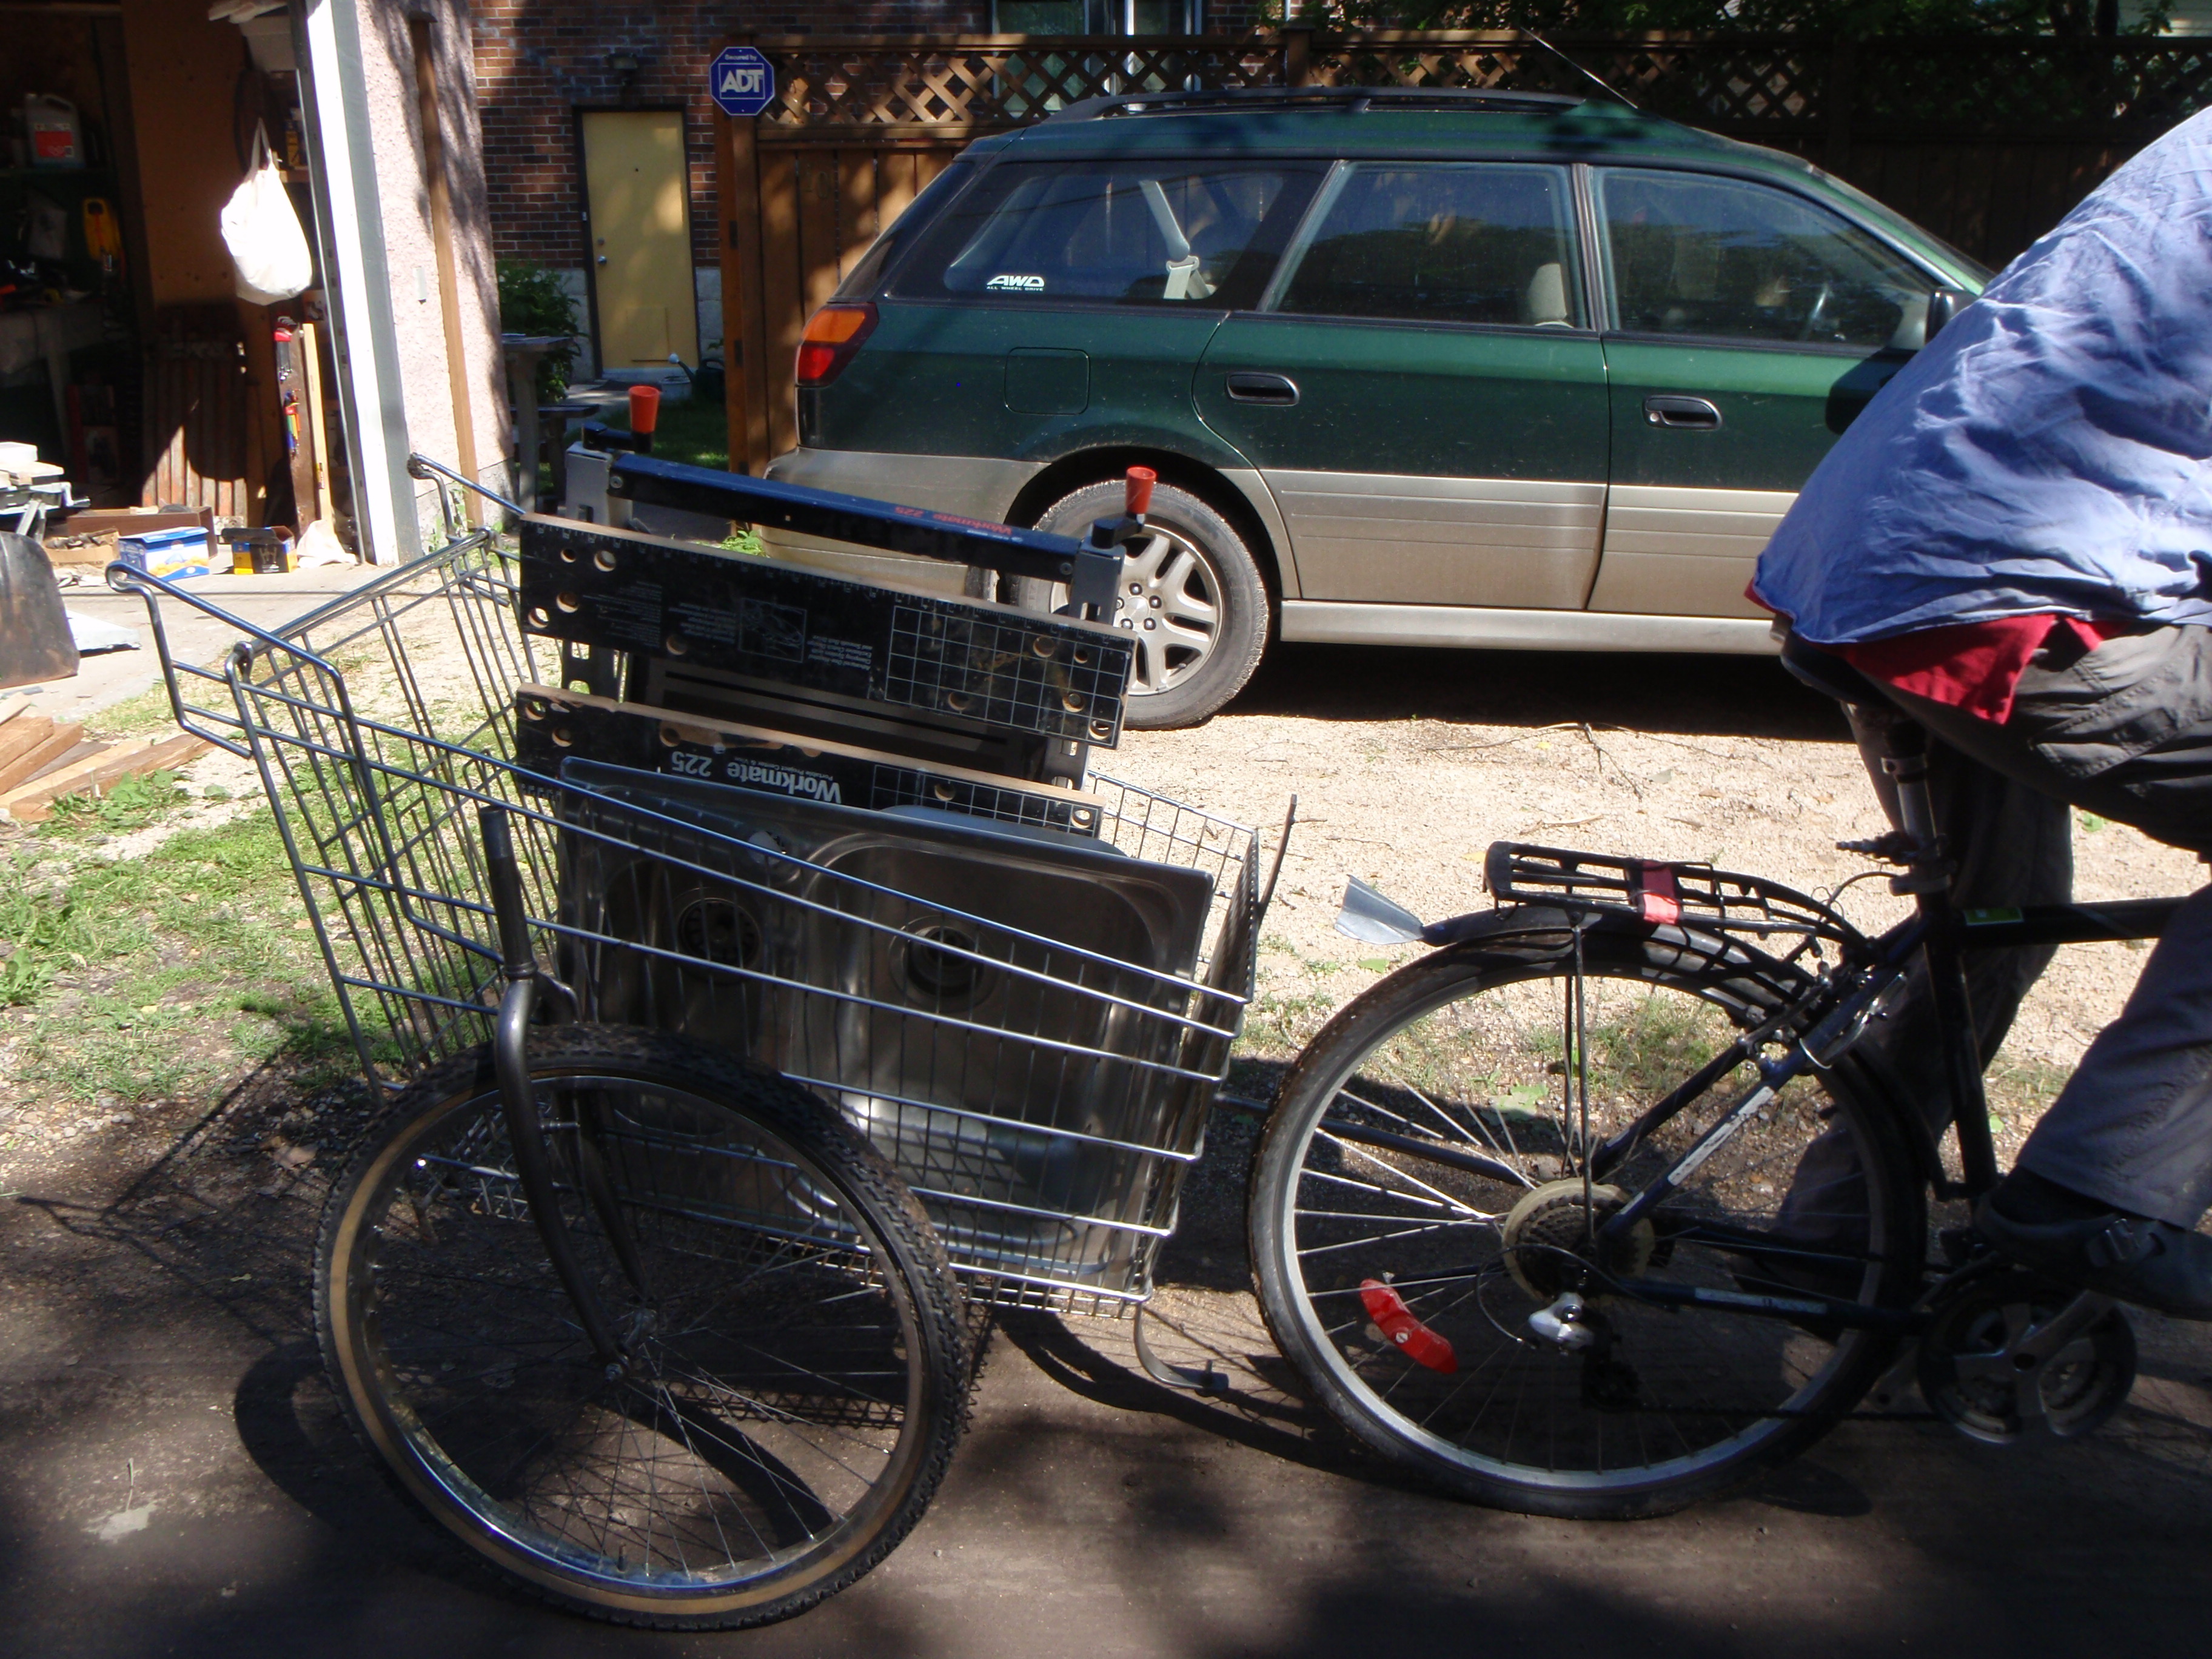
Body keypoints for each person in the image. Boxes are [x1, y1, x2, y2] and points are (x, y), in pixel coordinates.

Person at [1751, 106, 2212, 1318]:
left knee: (2003, 920)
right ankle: (2101, 1193)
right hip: (1995, 596)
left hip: (1874, 569)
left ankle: (1830, 1244)